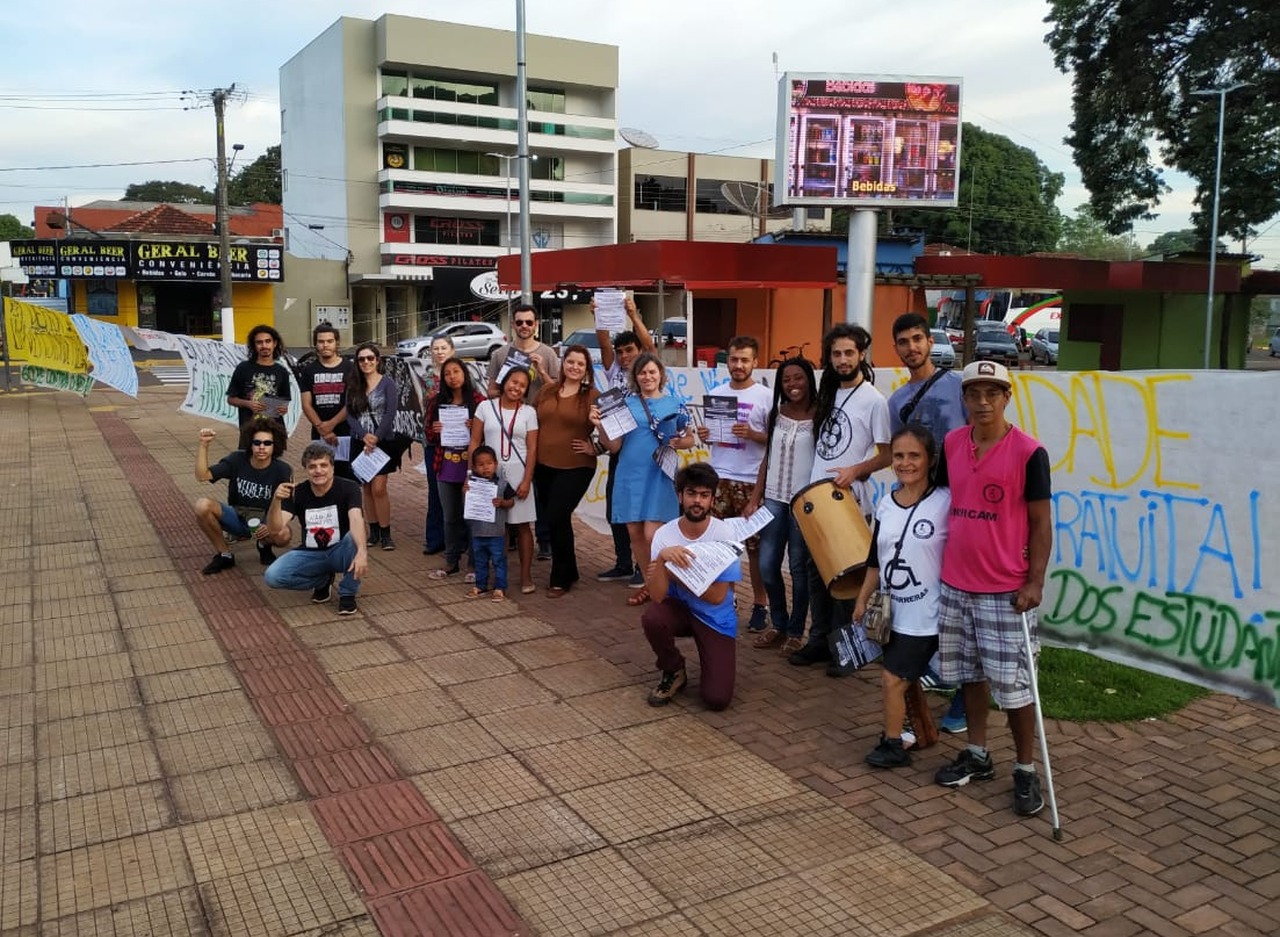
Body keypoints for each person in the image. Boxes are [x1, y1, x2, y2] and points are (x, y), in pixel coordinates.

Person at [932, 361, 1052, 818]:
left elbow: (1041, 523)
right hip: (956, 582)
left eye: (992, 393)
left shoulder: (1029, 452)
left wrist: (1035, 581)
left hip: (1005, 590)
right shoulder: (952, 443)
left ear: (1007, 397)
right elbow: (944, 501)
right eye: (974, 393)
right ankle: (978, 754)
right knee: (970, 676)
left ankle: (1025, 768)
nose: (983, 402)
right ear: (963, 398)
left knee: (1015, 687)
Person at [788, 324, 891, 675]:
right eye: (836, 354)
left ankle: (846, 649)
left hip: (849, 502)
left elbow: (887, 454)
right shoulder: (828, 393)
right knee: (817, 576)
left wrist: (856, 470)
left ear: (861, 354)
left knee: (847, 580)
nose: (843, 359)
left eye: (849, 352)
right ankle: (819, 640)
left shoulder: (874, 401)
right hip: (817, 501)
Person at [888, 312, 969, 734]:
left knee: (963, 598)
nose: (912, 347)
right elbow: (898, 454)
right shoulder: (896, 401)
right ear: (896, 348)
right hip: (922, 510)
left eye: (917, 339)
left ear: (930, 341)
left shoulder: (959, 386)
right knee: (927, 593)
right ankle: (931, 671)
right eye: (903, 342)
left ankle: (964, 694)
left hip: (963, 504)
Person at [856, 424, 951, 768]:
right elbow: (875, 559)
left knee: (892, 679)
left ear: (930, 459)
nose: (905, 463)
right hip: (891, 612)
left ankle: (893, 744)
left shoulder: (946, 502)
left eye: (914, 455)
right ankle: (922, 731)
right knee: (902, 678)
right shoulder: (886, 504)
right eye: (898, 456)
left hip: (927, 614)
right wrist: (862, 599)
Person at [590, 352, 697, 607]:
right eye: (642, 373)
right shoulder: (624, 404)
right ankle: (651, 586)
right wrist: (600, 425)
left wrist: (678, 442)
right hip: (629, 473)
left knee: (653, 534)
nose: (647, 376)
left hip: (659, 473)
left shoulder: (675, 403)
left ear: (661, 374)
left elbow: (690, 439)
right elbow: (614, 446)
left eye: (652, 372)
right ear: (635, 377)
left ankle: (666, 585)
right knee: (634, 532)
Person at [641, 462, 741, 710]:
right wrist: (662, 558)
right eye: (691, 493)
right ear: (680, 496)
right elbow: (657, 595)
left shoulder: (725, 535)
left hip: (714, 617)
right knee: (652, 618)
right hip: (680, 610)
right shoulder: (664, 534)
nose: (697, 501)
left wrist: (673, 572)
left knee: (717, 700)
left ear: (712, 499)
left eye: (704, 495)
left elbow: (717, 596)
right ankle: (673, 669)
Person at [696, 336, 772, 631]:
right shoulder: (716, 393)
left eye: (744, 360)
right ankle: (727, 598)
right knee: (721, 546)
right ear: (727, 361)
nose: (738, 365)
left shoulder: (766, 397)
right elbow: (714, 438)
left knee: (755, 550)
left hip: (751, 481)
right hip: (719, 479)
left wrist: (753, 434)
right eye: (734, 359)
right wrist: (706, 436)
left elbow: (775, 441)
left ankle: (760, 604)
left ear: (755, 362)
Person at [745, 357, 817, 653]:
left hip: (803, 503)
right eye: (786, 380)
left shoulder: (821, 414)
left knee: (799, 569)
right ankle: (778, 623)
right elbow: (768, 457)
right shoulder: (777, 414)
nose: (792, 384)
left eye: (798, 378)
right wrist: (755, 497)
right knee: (767, 564)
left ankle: (796, 631)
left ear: (809, 379)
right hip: (774, 499)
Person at [264, 442, 369, 616]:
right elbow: (275, 530)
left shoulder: (349, 487)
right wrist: (276, 500)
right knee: (272, 576)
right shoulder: (297, 492)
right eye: (312, 466)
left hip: (341, 550)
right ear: (306, 469)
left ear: (332, 467)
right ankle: (322, 581)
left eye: (323, 465)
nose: (318, 471)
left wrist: (363, 552)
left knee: (355, 538)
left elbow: (356, 518)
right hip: (311, 553)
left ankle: (347, 593)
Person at [595, 299, 656, 588]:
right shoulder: (614, 371)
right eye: (620, 352)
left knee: (642, 511)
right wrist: (599, 314)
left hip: (644, 447)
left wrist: (632, 314)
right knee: (616, 508)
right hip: (618, 447)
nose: (623, 356)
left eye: (629, 350)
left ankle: (645, 567)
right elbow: (603, 343)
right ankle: (623, 563)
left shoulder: (647, 371)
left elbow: (650, 345)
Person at [534, 344, 600, 596]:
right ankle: (570, 569)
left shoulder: (593, 396)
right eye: (570, 362)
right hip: (543, 465)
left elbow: (614, 428)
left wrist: (597, 447)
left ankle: (560, 578)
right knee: (556, 520)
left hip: (576, 466)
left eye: (580, 364)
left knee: (555, 516)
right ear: (563, 363)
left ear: (587, 369)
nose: (574, 367)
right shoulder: (548, 390)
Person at [192, 418, 292, 574]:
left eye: (267, 443)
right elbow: (202, 475)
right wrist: (203, 445)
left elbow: (288, 506)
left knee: (283, 534)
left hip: (265, 522)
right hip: (238, 517)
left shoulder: (282, 470)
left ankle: (264, 545)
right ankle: (224, 554)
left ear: (275, 445)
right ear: (250, 444)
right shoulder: (237, 460)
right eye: (257, 442)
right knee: (202, 505)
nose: (261, 447)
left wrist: (271, 527)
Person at [472, 368, 539, 594]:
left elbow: (532, 449)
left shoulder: (529, 412)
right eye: (513, 382)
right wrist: (470, 476)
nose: (516, 387)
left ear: (526, 390)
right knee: (496, 526)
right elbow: (475, 442)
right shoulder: (485, 407)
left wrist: (527, 480)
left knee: (522, 525)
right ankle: (499, 577)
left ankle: (526, 575)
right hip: (490, 473)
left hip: (519, 471)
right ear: (504, 381)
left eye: (522, 385)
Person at [425, 356, 486, 580]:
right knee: (450, 517)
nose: (452, 377)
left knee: (472, 517)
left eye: (456, 372)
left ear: (464, 374)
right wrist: (435, 429)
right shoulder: (436, 402)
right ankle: (451, 561)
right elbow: (428, 435)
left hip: (471, 467)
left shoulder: (479, 401)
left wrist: (476, 427)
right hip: (445, 465)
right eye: (447, 373)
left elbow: (488, 435)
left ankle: (474, 565)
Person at [345, 342, 402, 551]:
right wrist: (363, 436)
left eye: (370, 358)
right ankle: (374, 531)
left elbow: (390, 413)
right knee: (366, 488)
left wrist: (375, 437)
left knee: (379, 488)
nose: (366, 362)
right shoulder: (353, 384)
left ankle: (386, 533)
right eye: (362, 359)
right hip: (359, 441)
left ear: (377, 360)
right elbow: (349, 414)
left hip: (382, 442)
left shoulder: (387, 383)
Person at [298, 323, 354, 479]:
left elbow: (351, 402)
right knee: (321, 474)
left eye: (329, 341)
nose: (325, 345)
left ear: (337, 342)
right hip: (319, 432)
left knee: (346, 477)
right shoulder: (309, 370)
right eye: (321, 341)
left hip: (346, 432)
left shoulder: (350, 368)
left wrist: (331, 424)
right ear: (315, 344)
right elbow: (306, 404)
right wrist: (323, 429)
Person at [463, 445, 516, 602]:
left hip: (496, 533)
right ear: (474, 467)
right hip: (477, 532)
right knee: (480, 561)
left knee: (499, 560)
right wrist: (465, 492)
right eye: (481, 464)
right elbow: (466, 504)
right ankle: (481, 585)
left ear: (496, 464)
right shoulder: (472, 484)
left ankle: (500, 587)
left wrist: (502, 503)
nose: (485, 467)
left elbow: (512, 502)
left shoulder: (502, 484)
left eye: (489, 463)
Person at [422, 334, 455, 555]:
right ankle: (435, 539)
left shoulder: (462, 374)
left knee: (456, 491)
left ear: (452, 350)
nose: (440, 352)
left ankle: (458, 539)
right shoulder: (425, 377)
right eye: (436, 348)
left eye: (443, 348)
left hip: (457, 442)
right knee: (435, 490)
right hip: (433, 442)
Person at [486, 303, 560, 400]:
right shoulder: (499, 354)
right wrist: (509, 391)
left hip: (538, 409)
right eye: (519, 322)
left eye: (529, 322)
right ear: (513, 325)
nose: (524, 326)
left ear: (536, 324)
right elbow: (491, 391)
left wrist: (542, 372)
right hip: (509, 409)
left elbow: (557, 391)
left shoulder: (549, 353)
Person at [226, 324, 291, 426]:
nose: (264, 346)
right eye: (259, 342)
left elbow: (284, 401)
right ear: (254, 345)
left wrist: (283, 408)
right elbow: (231, 399)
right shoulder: (243, 368)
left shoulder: (282, 371)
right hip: (249, 428)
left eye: (268, 341)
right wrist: (248, 404)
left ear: (274, 343)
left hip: (275, 428)